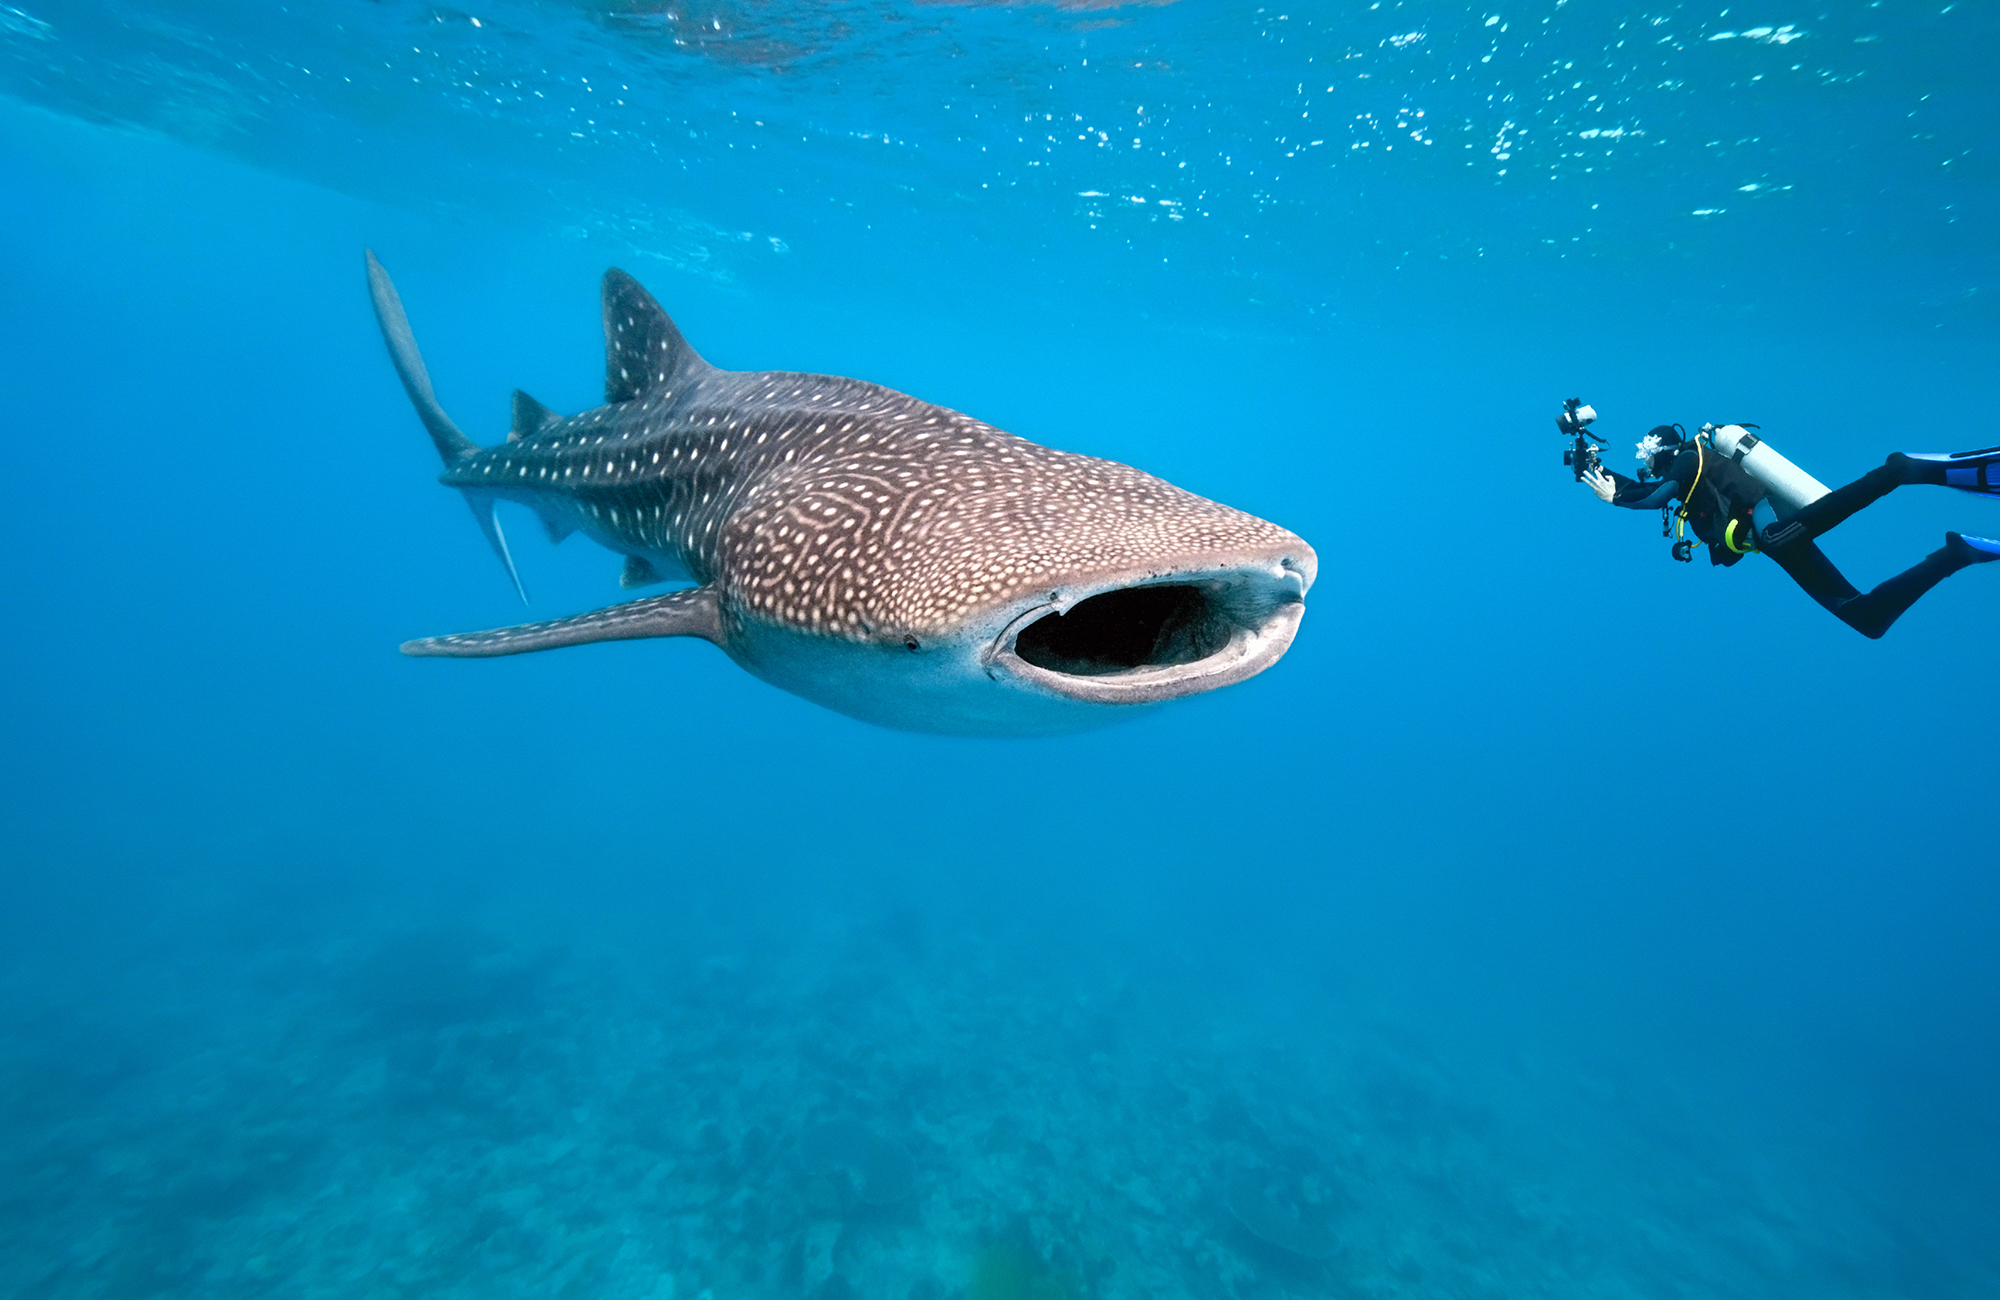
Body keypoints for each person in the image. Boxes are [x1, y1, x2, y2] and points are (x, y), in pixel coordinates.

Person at [1573, 416, 2000, 638]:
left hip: (1766, 520)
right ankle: (1957, 553)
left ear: (1662, 449)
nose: (1644, 460)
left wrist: (1614, 499)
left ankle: (1898, 471)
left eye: (1647, 452)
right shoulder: (1680, 479)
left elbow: (1650, 497)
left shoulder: (1687, 459)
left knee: (1775, 537)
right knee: (1866, 619)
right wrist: (1591, 466)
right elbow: (1636, 489)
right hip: (1765, 539)